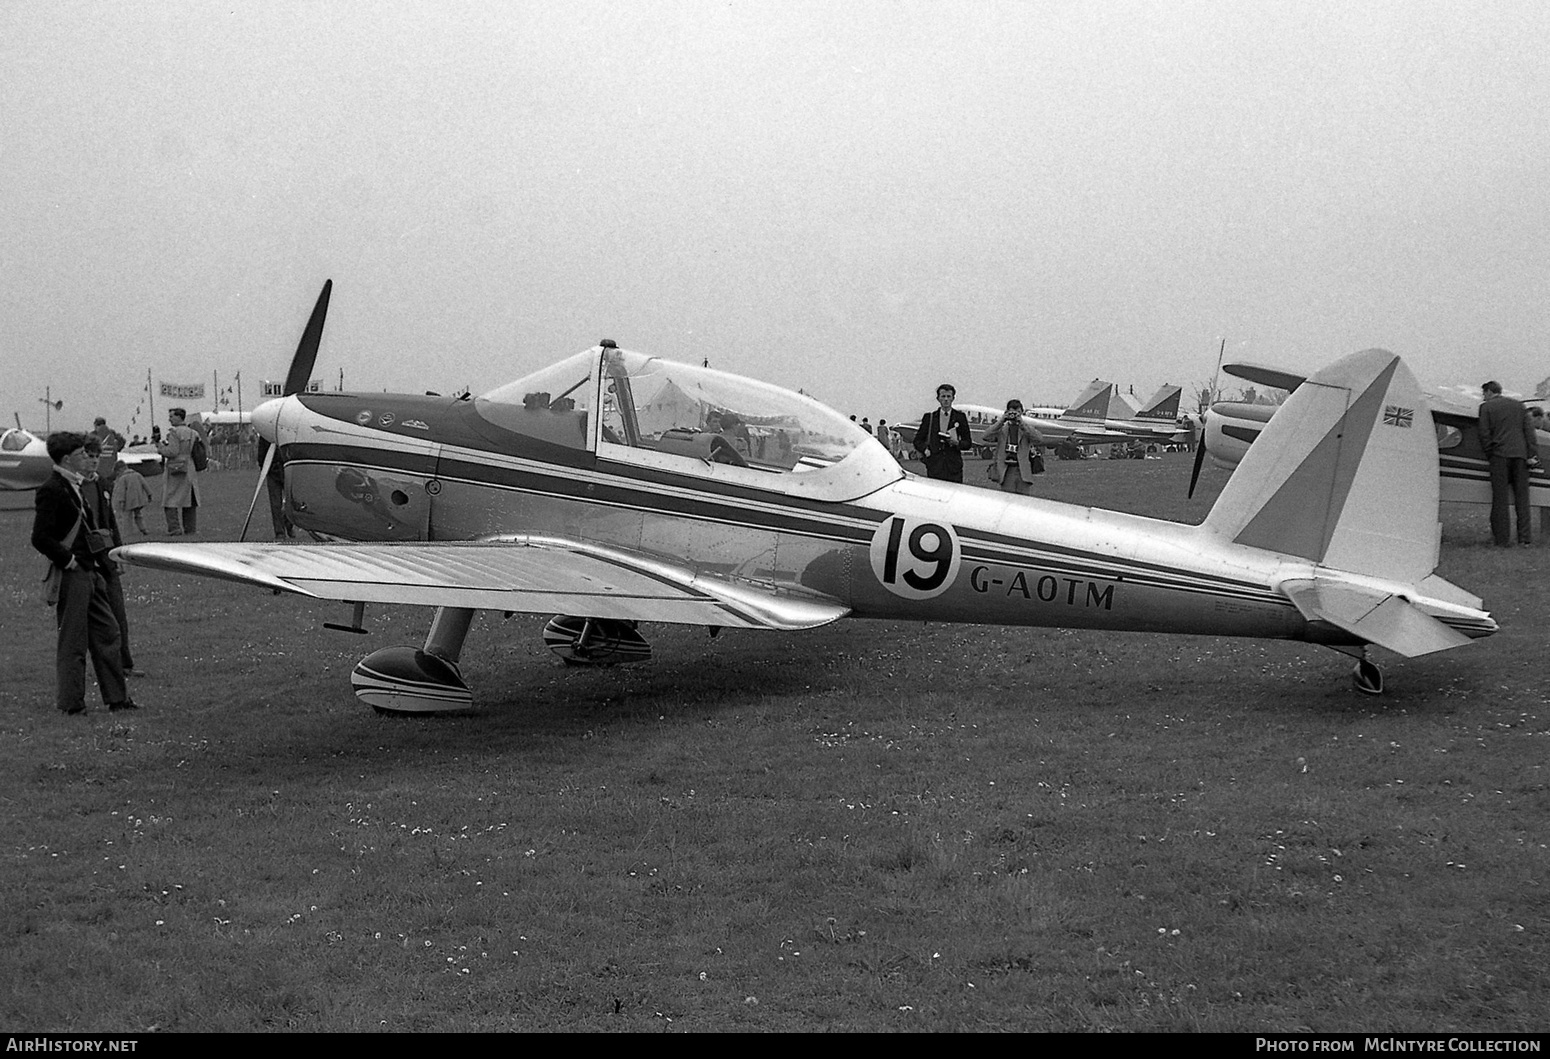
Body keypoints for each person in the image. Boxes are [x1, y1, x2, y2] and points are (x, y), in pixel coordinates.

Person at [31, 432, 137, 715]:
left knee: (109, 632)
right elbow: (40, 537)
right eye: (81, 454)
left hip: (91, 571)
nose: (88, 459)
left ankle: (117, 698)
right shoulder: (52, 489)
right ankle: (71, 704)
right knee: (73, 640)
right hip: (73, 574)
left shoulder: (76, 486)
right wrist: (69, 561)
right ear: (67, 459)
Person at [81, 438, 139, 675]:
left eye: (96, 456)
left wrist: (118, 553)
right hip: (84, 562)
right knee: (84, 621)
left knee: (118, 615)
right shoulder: (72, 488)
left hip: (106, 559)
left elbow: (110, 522)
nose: (93, 461)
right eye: (88, 456)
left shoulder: (103, 485)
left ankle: (124, 664)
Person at [1477, 381, 1541, 547]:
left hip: (1499, 455)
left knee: (1500, 499)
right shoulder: (1519, 406)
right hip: (1520, 456)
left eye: (1484, 393)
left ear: (1490, 392)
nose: (1483, 397)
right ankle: (1525, 539)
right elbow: (1529, 433)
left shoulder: (1486, 407)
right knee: (1522, 499)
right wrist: (1530, 454)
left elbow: (1484, 433)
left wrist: (1490, 453)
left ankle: (1501, 539)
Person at [980, 399, 1046, 495]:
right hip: (1006, 470)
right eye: (1012, 413)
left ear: (1022, 413)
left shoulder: (1026, 429)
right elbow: (985, 436)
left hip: (1022, 470)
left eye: (1018, 413)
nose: (1014, 416)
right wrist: (1002, 420)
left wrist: (1022, 423)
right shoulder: (1002, 429)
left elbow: (1039, 439)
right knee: (1008, 501)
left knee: (1023, 502)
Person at [913, 383, 973, 483]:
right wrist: (925, 450)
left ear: (953, 398)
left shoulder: (960, 417)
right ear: (938, 399)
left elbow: (968, 443)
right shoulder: (930, 417)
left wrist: (957, 443)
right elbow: (917, 440)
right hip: (935, 467)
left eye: (948, 396)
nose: (946, 399)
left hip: (954, 468)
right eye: (943, 396)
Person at [157, 407, 203, 535]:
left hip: (175, 470)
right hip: (190, 468)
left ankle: (174, 529)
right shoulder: (193, 433)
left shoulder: (174, 433)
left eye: (172, 416)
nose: (169, 419)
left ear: (179, 417)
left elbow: (172, 451)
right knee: (189, 501)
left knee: (170, 500)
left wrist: (160, 447)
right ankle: (190, 529)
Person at [112, 459, 152, 536]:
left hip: (128, 501)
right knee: (138, 515)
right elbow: (145, 485)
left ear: (120, 470)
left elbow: (122, 491)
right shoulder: (137, 475)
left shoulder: (123, 478)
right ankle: (143, 529)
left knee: (127, 517)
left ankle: (128, 532)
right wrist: (149, 494)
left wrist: (122, 501)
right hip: (139, 500)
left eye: (118, 472)